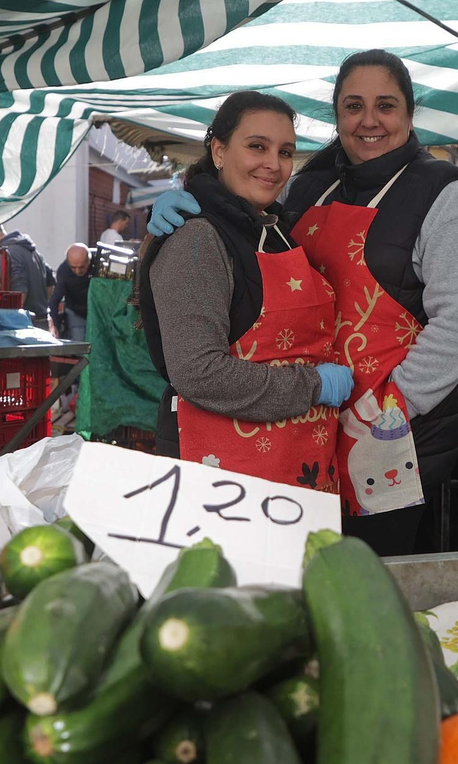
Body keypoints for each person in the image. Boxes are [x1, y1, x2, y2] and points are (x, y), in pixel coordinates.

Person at [150, 51, 458, 555]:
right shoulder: (310, 185)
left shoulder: (443, 196)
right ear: (337, 115)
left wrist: (389, 409)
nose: (368, 120)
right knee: (309, 567)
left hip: (392, 429)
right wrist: (191, 202)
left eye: (386, 105)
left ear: (410, 114)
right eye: (353, 105)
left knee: (367, 571)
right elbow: (247, 229)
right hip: (301, 420)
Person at [137, 92, 354, 490]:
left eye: (286, 151)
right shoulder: (197, 238)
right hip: (225, 473)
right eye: (257, 146)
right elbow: (198, 373)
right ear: (218, 151)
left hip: (295, 461)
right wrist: (314, 385)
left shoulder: (273, 230)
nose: (274, 164)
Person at [0, 226, 52, 325]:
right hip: (41, 320)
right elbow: (50, 284)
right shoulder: (31, 249)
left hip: (23, 326)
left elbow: (19, 294)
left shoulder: (5, 254)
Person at [50, 243, 92, 341]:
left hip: (96, 311)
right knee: (78, 343)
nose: (77, 271)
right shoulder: (64, 271)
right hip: (75, 311)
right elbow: (54, 300)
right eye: (73, 267)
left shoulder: (98, 265)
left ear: (89, 262)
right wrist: (55, 325)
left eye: (81, 267)